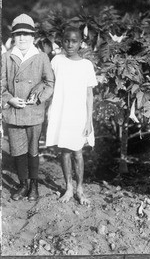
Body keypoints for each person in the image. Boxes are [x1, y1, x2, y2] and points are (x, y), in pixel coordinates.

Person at [2, 13, 54, 201]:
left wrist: (39, 97)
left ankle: (34, 185)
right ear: (13, 37)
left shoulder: (41, 57)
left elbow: (50, 82)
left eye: (26, 34)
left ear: (33, 37)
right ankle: (23, 184)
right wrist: (9, 99)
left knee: (33, 149)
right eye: (18, 34)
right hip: (14, 111)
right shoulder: (7, 57)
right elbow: (0, 85)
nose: (22, 38)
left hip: (33, 111)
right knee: (17, 149)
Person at [46, 26, 97, 205]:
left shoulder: (86, 65)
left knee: (77, 152)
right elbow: (49, 84)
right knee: (64, 151)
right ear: (62, 41)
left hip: (78, 114)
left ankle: (80, 189)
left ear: (81, 43)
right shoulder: (57, 60)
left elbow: (89, 94)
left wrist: (89, 121)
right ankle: (68, 187)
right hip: (61, 112)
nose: (69, 44)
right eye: (66, 40)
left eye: (74, 41)